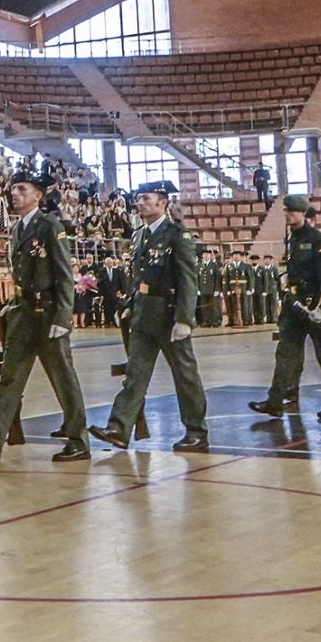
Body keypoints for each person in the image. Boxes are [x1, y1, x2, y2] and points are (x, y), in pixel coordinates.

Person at [0, 169, 90, 462]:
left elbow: (63, 274)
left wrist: (62, 317)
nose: (15, 194)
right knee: (11, 377)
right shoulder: (18, 228)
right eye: (14, 189)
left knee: (63, 378)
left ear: (38, 195)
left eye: (22, 189)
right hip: (24, 312)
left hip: (47, 313)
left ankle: (78, 439)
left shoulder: (49, 226)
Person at [89, 180, 208, 452]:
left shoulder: (177, 234)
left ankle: (196, 430)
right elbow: (139, 276)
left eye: (146, 198)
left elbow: (188, 279)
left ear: (162, 203)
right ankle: (119, 428)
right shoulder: (140, 235)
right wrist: (131, 303)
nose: (140, 202)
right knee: (135, 375)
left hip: (169, 315)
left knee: (185, 375)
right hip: (144, 314)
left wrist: (185, 318)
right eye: (139, 198)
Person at [249, 194, 321, 420]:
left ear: (303, 213)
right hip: (295, 304)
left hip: (315, 304)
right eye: (286, 210)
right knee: (286, 353)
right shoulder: (292, 238)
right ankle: (275, 400)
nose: (288, 214)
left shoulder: (318, 239)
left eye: (293, 211)